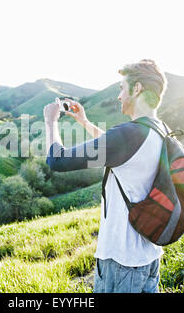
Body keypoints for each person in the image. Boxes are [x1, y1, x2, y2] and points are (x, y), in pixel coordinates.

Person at [43, 59, 168, 293]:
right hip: (149, 255)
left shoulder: (129, 134)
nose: (119, 96)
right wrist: (85, 122)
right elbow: (119, 151)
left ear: (137, 88)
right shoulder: (159, 130)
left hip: (122, 262)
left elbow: (56, 160)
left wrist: (51, 122)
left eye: (122, 88)